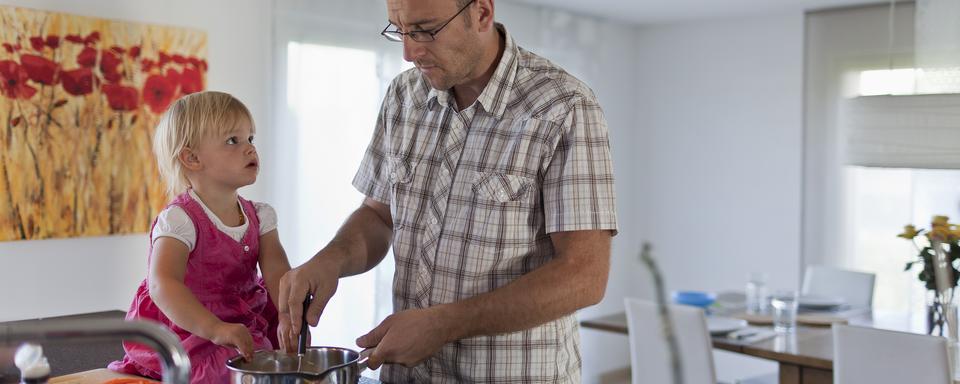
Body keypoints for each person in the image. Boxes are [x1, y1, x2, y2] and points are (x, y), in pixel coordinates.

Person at [277, 0, 618, 381]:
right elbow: (378, 216)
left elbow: (584, 276)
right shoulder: (402, 97)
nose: (409, 52)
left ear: (482, 14)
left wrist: (444, 324)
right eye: (399, 30)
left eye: (424, 30)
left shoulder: (564, 106)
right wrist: (331, 261)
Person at [109, 91, 294, 382]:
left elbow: (277, 272)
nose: (249, 149)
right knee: (227, 370)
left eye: (250, 139)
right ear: (192, 158)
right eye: (233, 141)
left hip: (245, 319)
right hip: (193, 326)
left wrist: (288, 314)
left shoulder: (261, 216)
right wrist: (216, 329)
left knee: (280, 360)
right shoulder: (181, 219)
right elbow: (162, 283)